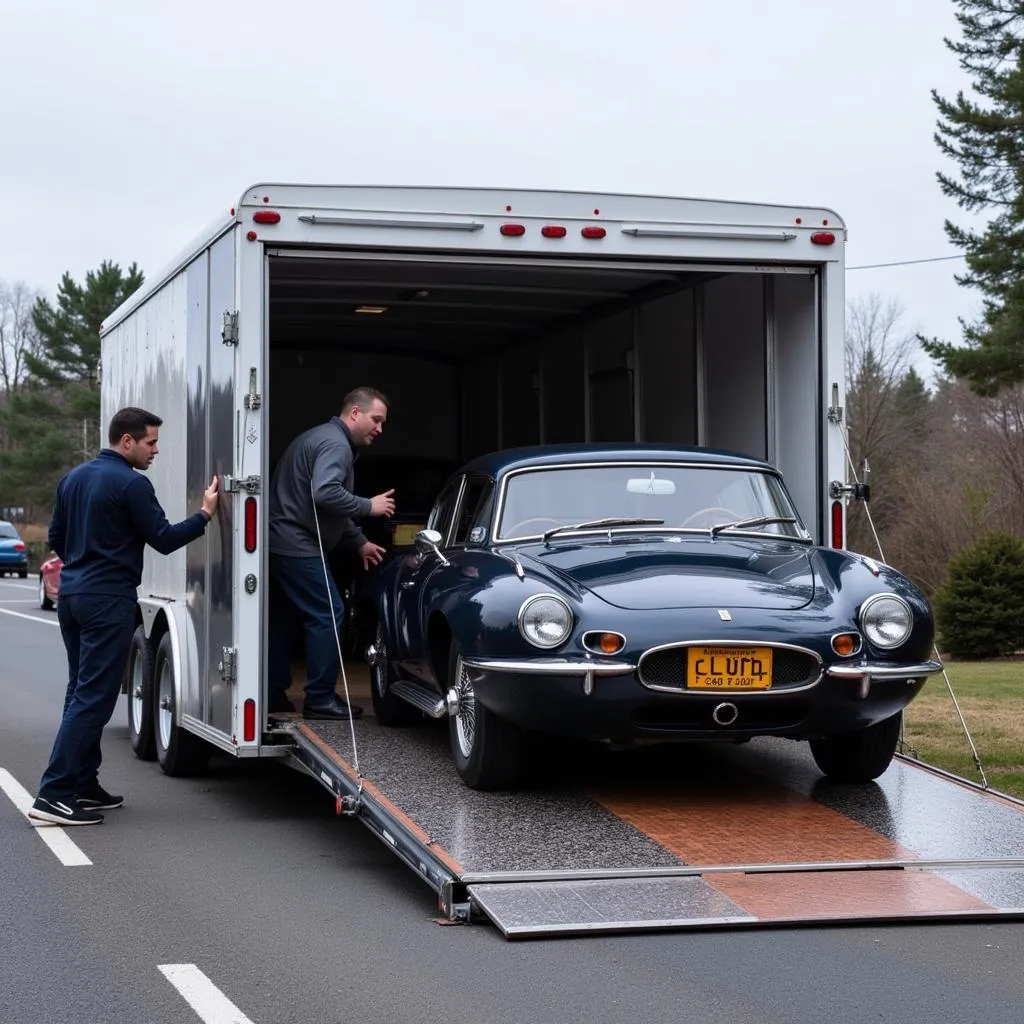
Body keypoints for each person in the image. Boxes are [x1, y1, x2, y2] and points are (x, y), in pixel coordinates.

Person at [29, 407, 219, 827]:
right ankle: (54, 794)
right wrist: (205, 514)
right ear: (127, 441)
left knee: (80, 690)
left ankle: (81, 783)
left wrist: (84, 561)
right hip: (108, 600)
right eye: (150, 442)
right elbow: (165, 539)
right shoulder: (133, 485)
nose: (155, 451)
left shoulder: (73, 479)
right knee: (93, 698)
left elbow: (57, 537)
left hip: (73, 595)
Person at [267, 387, 396, 720]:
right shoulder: (336, 445)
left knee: (283, 619)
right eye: (376, 420)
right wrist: (370, 506)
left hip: (281, 542)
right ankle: (320, 699)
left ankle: (271, 693)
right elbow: (325, 493)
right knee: (329, 612)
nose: (380, 429)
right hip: (297, 544)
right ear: (355, 412)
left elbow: (321, 507)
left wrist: (358, 541)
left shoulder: (321, 438)